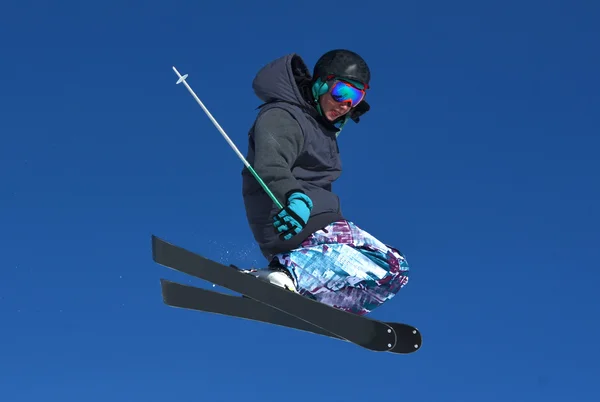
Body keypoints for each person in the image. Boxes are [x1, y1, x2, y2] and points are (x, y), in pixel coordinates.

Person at [240, 49, 409, 316]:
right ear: (320, 84)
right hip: (291, 215)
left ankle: (305, 292)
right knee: (391, 264)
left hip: (318, 222)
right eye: (343, 92)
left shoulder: (322, 130)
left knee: (392, 276)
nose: (346, 104)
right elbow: (270, 163)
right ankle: (284, 273)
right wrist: (292, 197)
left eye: (356, 98)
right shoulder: (284, 115)